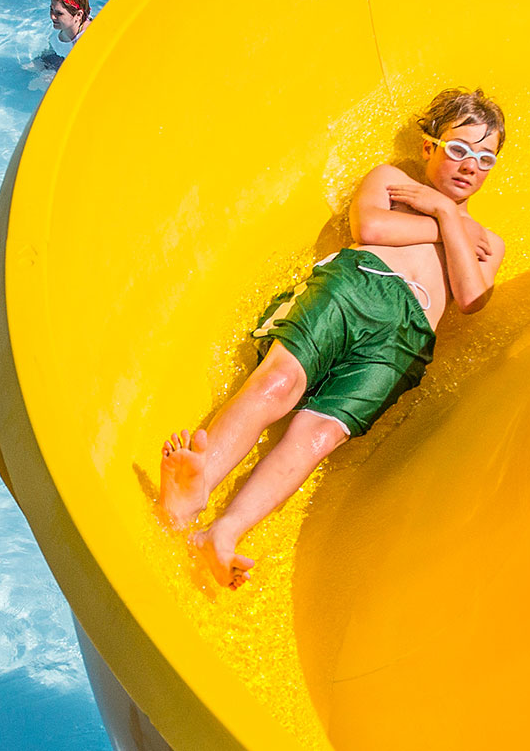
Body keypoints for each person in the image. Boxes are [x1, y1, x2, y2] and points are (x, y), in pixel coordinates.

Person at [160, 89, 508, 589]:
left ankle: (223, 533)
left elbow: (474, 297)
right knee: (277, 384)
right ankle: (196, 487)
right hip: (358, 284)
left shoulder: (486, 241)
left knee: (317, 436)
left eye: (484, 158)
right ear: (429, 147)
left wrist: (448, 215)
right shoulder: (393, 181)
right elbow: (368, 225)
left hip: (404, 342)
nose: (469, 165)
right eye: (458, 149)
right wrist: (439, 219)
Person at [43, 0, 93, 70]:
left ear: (78, 15)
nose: (52, 16)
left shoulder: (86, 42)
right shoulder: (66, 26)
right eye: (51, 9)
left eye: (59, 13)